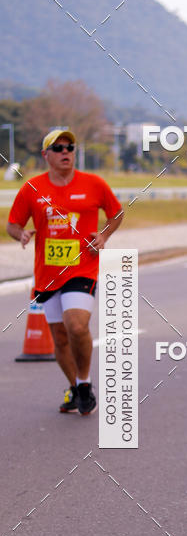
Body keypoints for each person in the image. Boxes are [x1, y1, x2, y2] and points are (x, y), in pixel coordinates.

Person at [7, 128, 123, 415]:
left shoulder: (94, 183)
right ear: (46, 155)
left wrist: (103, 236)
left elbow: (116, 213)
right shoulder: (32, 188)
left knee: (77, 326)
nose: (65, 152)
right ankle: (76, 388)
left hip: (83, 268)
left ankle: (83, 382)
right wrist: (21, 234)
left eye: (69, 147)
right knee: (59, 337)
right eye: (58, 148)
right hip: (48, 274)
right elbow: (12, 224)